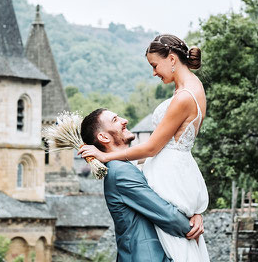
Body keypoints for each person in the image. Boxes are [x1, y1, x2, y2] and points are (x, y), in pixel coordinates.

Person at [79, 34, 210, 261]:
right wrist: (193, 215)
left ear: (171, 59)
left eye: (154, 65)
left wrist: (104, 155)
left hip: (171, 175)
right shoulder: (191, 88)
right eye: (115, 119)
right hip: (177, 175)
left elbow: (150, 148)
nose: (154, 73)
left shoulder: (183, 97)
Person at [79, 108, 205, 261]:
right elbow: (166, 215)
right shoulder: (120, 171)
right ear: (103, 137)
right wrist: (191, 226)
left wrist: (195, 213)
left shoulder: (124, 165)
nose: (124, 120)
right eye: (115, 120)